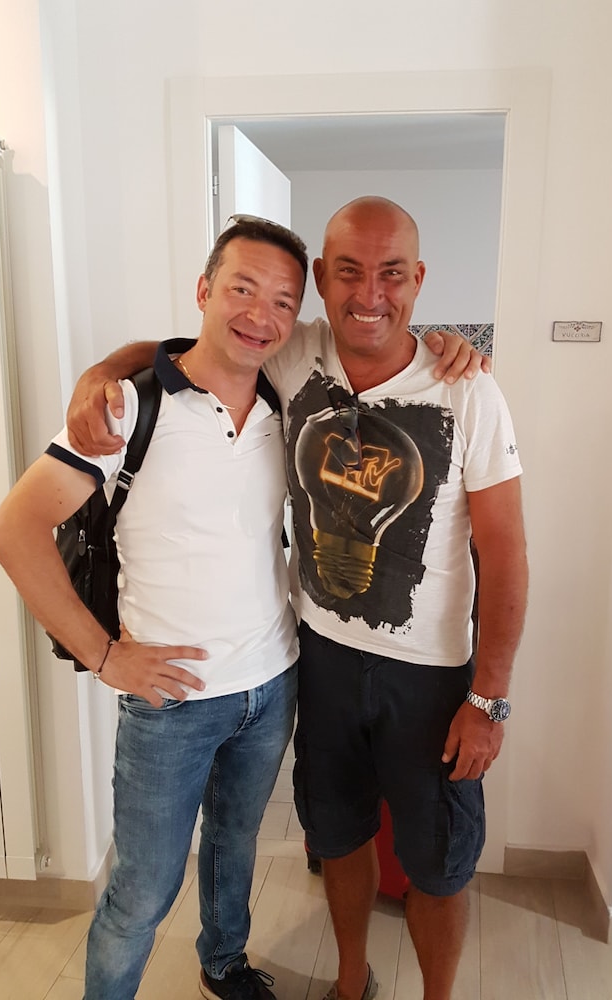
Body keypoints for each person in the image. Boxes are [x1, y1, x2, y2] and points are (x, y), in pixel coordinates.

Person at [66, 197, 526, 1000]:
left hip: (430, 675)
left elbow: (507, 554)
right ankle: (350, 983)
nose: (370, 294)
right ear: (322, 277)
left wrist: (488, 699)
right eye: (348, 271)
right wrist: (100, 373)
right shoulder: (293, 352)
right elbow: (187, 351)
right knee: (337, 834)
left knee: (438, 861)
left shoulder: (469, 392)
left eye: (392, 274)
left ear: (419, 279)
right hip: (321, 657)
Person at [0, 216, 311, 1000]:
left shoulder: (286, 400)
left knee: (234, 847)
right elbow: (14, 529)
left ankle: (223, 965)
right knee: (141, 891)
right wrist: (104, 655)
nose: (260, 314)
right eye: (241, 288)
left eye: (282, 301)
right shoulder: (129, 410)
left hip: (272, 683)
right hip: (170, 703)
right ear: (203, 290)